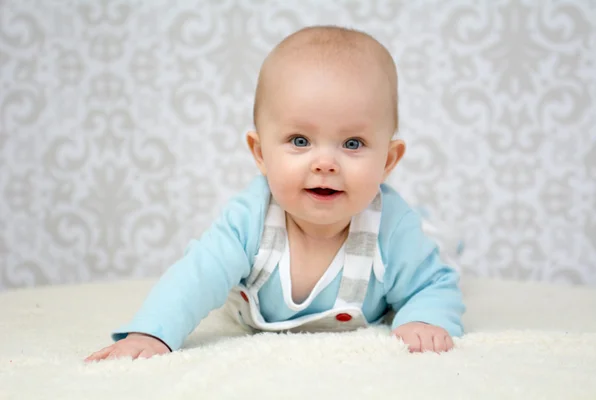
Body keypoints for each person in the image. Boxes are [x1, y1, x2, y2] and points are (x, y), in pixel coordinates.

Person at [85, 25, 465, 362]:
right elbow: (196, 276)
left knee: (434, 252)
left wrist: (424, 319)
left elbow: (433, 284)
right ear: (261, 153)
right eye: (300, 140)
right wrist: (151, 332)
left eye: (352, 143)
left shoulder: (392, 228)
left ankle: (442, 237)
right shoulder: (251, 219)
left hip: (409, 241)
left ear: (388, 161)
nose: (325, 163)